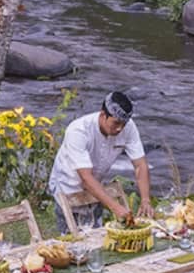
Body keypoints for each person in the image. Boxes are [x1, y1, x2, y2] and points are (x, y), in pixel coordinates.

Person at [47, 89, 154, 230]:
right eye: (116, 123)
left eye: (123, 124)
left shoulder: (128, 127)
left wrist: (145, 200)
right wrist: (115, 207)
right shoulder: (78, 131)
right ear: (103, 115)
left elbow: (140, 165)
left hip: (96, 187)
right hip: (68, 187)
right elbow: (85, 178)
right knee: (72, 238)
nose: (120, 129)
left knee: (98, 233)